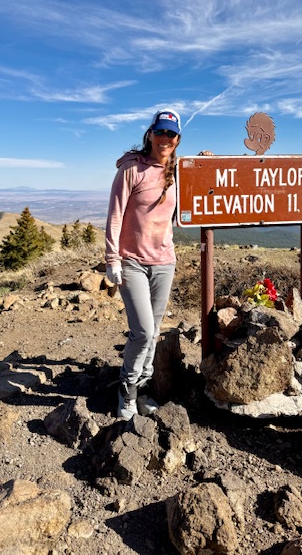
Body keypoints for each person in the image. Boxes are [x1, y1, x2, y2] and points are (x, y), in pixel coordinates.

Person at [105, 108, 182, 420]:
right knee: (143, 331)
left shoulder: (178, 173)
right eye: (160, 132)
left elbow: (196, 201)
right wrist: (112, 259)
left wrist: (206, 164)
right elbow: (114, 215)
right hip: (132, 262)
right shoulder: (131, 169)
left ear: (177, 139)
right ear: (150, 134)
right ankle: (127, 391)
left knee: (153, 330)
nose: (165, 138)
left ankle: (145, 388)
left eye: (171, 134)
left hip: (165, 261)